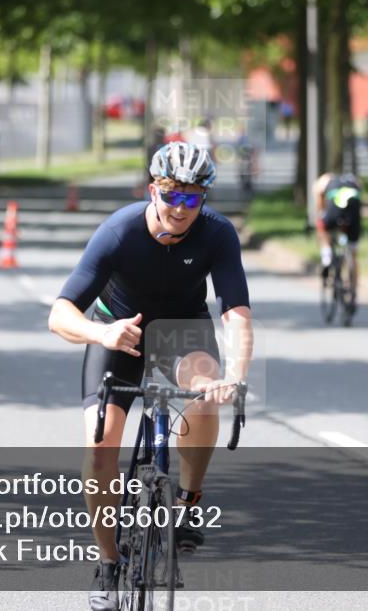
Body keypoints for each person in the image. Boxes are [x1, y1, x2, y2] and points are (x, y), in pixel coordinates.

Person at [47, 142, 253, 611]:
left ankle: (187, 500)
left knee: (207, 393)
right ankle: (108, 563)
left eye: (192, 198)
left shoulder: (217, 234)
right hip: (121, 333)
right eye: (171, 194)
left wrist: (236, 374)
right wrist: (101, 333)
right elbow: (60, 314)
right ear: (152, 189)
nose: (180, 208)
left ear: (205, 200)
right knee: (101, 452)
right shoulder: (119, 231)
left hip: (182, 332)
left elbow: (236, 311)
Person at [313, 171, 362, 315]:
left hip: (334, 206)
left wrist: (321, 218)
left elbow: (320, 207)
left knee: (321, 227)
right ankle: (353, 293)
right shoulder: (354, 180)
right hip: (353, 209)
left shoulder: (323, 180)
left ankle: (327, 256)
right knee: (353, 253)